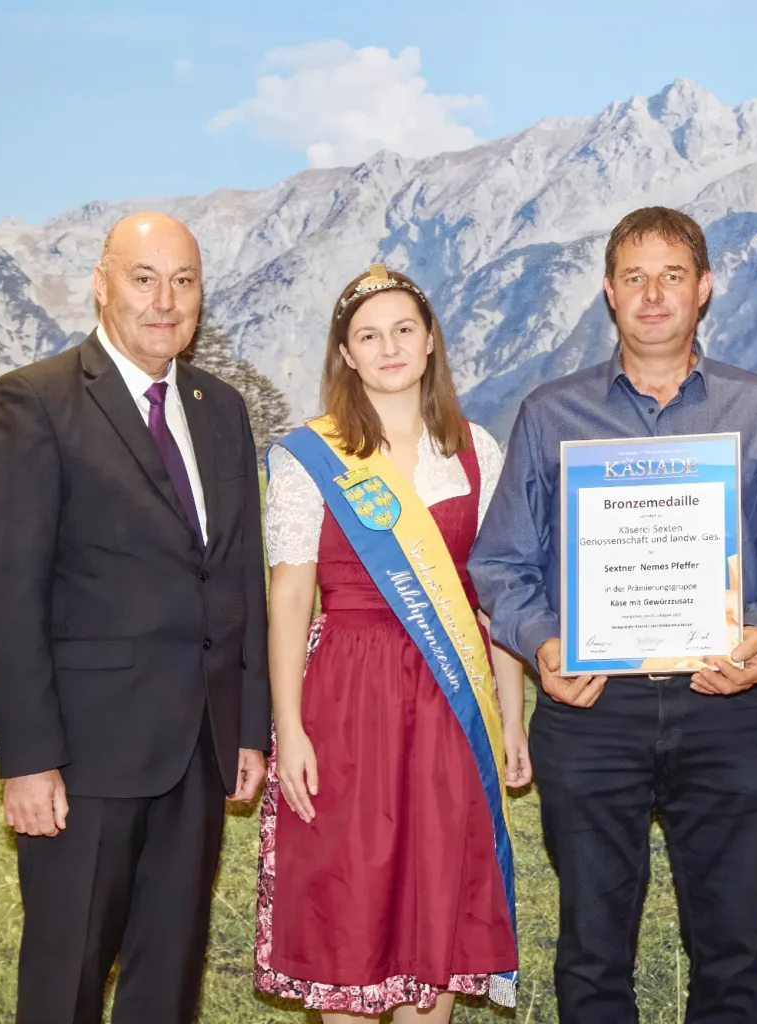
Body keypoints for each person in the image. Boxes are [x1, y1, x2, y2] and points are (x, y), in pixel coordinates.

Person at [469, 206, 757, 1022]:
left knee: (732, 952)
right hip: (592, 709)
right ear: (608, 292)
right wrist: (546, 645)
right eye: (635, 277)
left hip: (722, 703)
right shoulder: (551, 415)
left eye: (673, 276)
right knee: (593, 956)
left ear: (704, 289)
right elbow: (500, 564)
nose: (653, 294)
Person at [0, 212, 270, 1023]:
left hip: (200, 756)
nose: (165, 301)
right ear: (102, 285)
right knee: (66, 986)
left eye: (184, 281)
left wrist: (248, 728)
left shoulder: (221, 410)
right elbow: (5, 593)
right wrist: (27, 760)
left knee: (166, 990)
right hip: (82, 765)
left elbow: (238, 573)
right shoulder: (33, 403)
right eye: (144, 278)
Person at [253, 264, 528, 1022]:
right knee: (349, 917)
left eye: (405, 329)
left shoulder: (477, 450)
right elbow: (288, 595)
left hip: (449, 701)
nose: (390, 347)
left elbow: (495, 595)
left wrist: (510, 718)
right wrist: (290, 728)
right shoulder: (309, 457)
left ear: (432, 339)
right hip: (346, 696)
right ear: (345, 354)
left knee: (430, 925)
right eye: (368, 336)